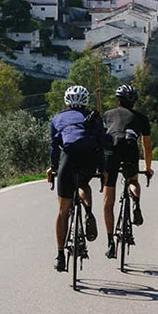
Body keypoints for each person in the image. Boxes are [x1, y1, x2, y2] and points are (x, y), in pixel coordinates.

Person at [47, 84, 103, 272]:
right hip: (89, 158)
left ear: (67, 101)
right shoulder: (94, 117)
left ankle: (60, 256)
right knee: (83, 184)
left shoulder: (58, 118)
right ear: (86, 101)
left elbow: (54, 146)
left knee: (63, 210)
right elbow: (101, 144)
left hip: (68, 159)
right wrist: (102, 169)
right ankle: (88, 211)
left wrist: (54, 167)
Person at [101, 83, 154, 260]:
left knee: (108, 199)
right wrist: (147, 168)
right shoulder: (141, 118)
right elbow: (147, 146)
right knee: (133, 181)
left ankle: (110, 243)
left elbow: (100, 139)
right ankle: (136, 203)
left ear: (118, 100)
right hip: (130, 148)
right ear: (134, 101)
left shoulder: (107, 115)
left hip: (111, 152)